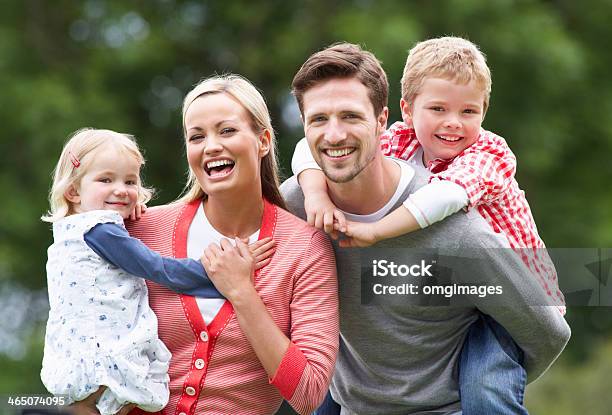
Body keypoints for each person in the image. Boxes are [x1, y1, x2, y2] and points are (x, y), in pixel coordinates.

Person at [281, 42, 571, 414]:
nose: (453, 122)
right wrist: (315, 195)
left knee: (486, 388)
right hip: (377, 369)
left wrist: (376, 232)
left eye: (468, 111)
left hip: (510, 297)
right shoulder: (399, 142)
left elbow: (442, 200)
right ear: (405, 110)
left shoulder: (487, 158)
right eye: (438, 109)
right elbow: (310, 148)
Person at [110, 74, 338, 415]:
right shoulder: (141, 230)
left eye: (227, 130)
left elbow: (309, 394)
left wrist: (242, 293)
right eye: (196, 137)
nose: (211, 146)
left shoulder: (305, 248)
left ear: (262, 141)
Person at [40, 128, 270, 415]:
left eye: (130, 181)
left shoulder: (69, 231)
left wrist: (123, 215)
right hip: (104, 356)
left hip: (74, 357)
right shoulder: (100, 232)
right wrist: (221, 275)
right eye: (106, 180)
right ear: (73, 190)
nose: (121, 190)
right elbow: (157, 269)